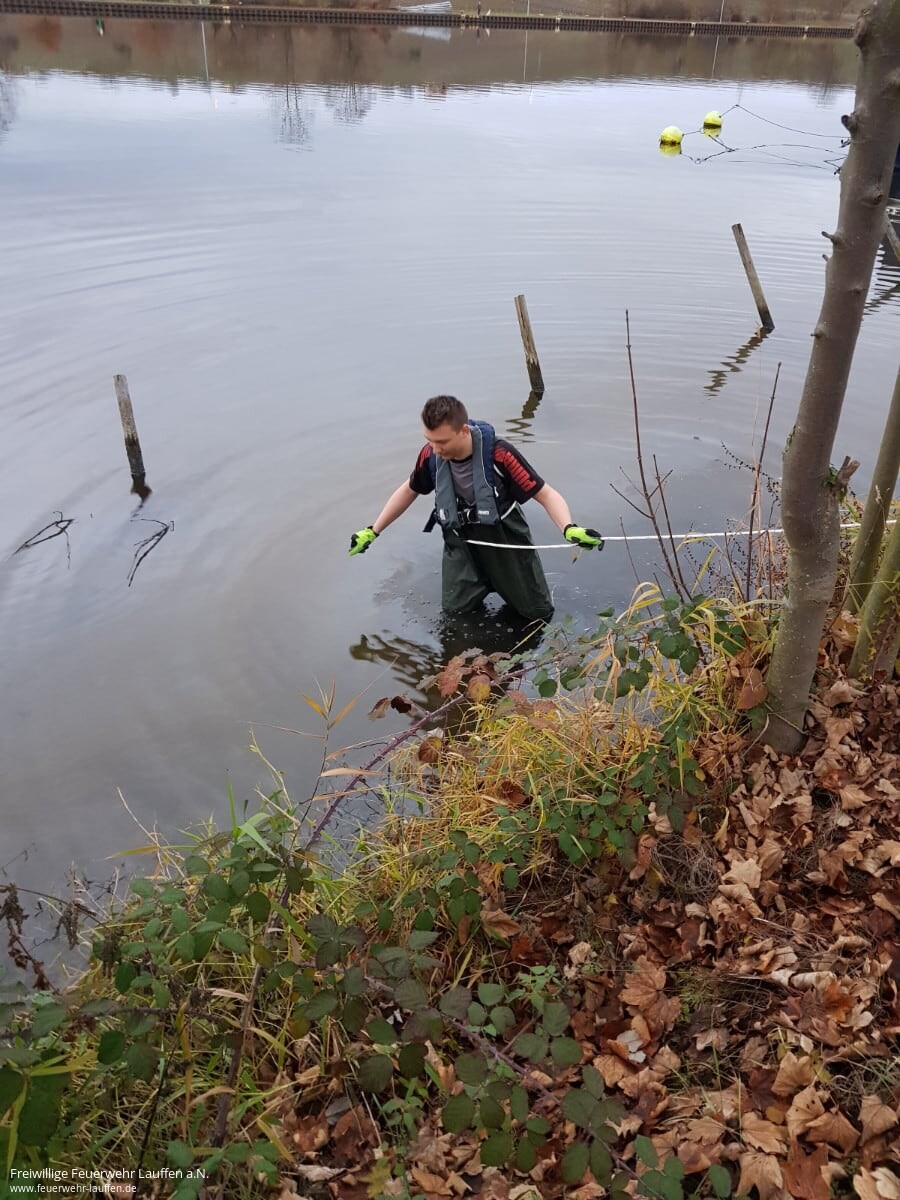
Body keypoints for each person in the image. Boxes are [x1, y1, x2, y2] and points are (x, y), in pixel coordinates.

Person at [348, 395, 603, 622]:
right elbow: (409, 490)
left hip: (505, 542)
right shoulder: (430, 456)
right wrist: (373, 531)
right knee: (455, 614)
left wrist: (569, 528)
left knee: (537, 614)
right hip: (459, 543)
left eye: (442, 441)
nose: (435, 448)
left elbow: (546, 494)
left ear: (463, 431)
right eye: (429, 440)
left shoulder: (501, 455)